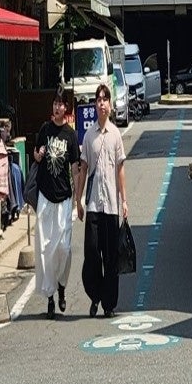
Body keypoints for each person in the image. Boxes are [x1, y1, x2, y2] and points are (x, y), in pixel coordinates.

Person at [77, 81, 128, 317]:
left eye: (105, 99)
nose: (101, 104)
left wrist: (124, 200)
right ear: (95, 105)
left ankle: (108, 303)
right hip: (94, 205)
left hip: (111, 205)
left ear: (110, 104)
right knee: (91, 252)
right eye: (98, 100)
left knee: (111, 255)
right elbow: (83, 168)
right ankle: (94, 295)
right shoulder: (89, 136)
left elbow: (120, 170)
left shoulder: (116, 135)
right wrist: (78, 200)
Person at [32, 86, 81, 318]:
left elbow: (74, 167)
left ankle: (61, 286)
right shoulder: (45, 129)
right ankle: (50, 297)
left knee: (64, 248)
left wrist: (77, 197)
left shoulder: (71, 135)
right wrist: (38, 155)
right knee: (45, 249)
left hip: (64, 199)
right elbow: (36, 154)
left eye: (61, 104)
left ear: (66, 108)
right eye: (55, 103)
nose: (57, 107)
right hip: (45, 197)